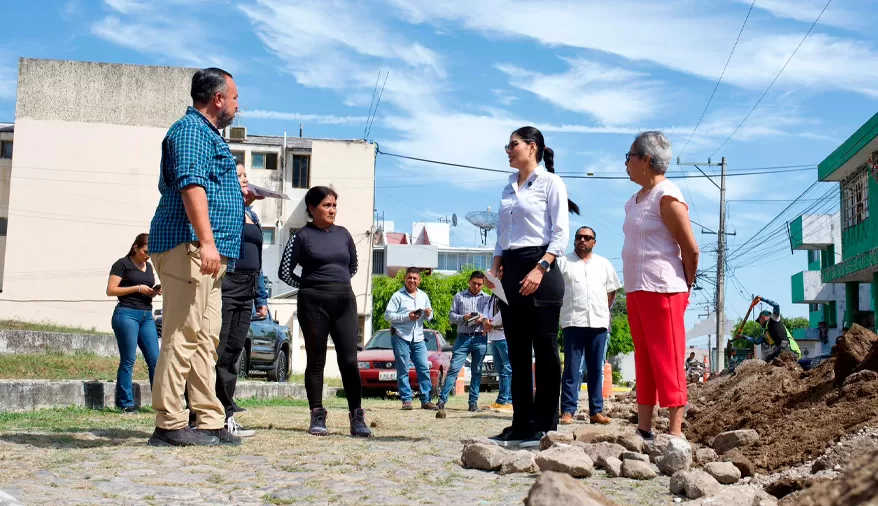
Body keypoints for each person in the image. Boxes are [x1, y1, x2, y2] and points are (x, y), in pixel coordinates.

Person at [146, 67, 244, 447]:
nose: (237, 106)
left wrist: (238, 198)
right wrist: (206, 241)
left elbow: (207, 186)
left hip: (208, 255)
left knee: (205, 337)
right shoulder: (189, 131)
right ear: (218, 98)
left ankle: (208, 417)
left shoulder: (208, 136)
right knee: (182, 333)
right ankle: (169, 422)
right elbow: (190, 184)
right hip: (187, 246)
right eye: (235, 98)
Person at [488, 126, 579, 447]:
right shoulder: (507, 188)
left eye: (512, 145)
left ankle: (544, 424)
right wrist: (497, 261)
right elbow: (503, 233)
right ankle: (520, 424)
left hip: (541, 269)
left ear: (532, 147)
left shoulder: (551, 183)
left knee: (544, 350)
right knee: (516, 351)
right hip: (510, 271)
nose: (508, 150)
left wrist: (541, 268)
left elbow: (560, 234)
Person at [622, 131, 699, 442]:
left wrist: (687, 283)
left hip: (664, 288)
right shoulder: (634, 201)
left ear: (647, 161)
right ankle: (644, 427)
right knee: (645, 355)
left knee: (667, 356)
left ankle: (675, 432)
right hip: (637, 288)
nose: (626, 163)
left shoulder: (668, 196)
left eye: (629, 157)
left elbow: (691, 248)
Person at [278, 186, 371, 437]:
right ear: (312, 208)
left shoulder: (344, 234)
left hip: (344, 302)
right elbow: (284, 272)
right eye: (326, 205)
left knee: (350, 361)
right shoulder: (301, 236)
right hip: (313, 304)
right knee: (316, 360)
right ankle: (317, 414)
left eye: (334, 205)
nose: (332, 210)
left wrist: (334, 284)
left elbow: (351, 266)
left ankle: (357, 417)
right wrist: (311, 285)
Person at [203, 162, 267, 437]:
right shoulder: (223, 210)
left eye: (245, 176)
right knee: (218, 350)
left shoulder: (250, 213)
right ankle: (208, 413)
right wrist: (235, 202)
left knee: (233, 353)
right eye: (238, 175)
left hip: (249, 286)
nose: (244, 180)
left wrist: (261, 296)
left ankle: (226, 414)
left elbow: (258, 260)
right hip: (228, 283)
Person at [556, 226, 621, 425]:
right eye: (579, 237)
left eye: (587, 237)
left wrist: (600, 308)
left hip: (598, 323)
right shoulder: (562, 263)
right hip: (573, 322)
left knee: (595, 369)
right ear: (574, 240)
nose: (582, 240)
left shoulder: (603, 264)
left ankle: (596, 411)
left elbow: (611, 292)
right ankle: (567, 411)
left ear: (594, 242)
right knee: (572, 370)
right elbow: (556, 290)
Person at [106, 233, 161, 413]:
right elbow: (111, 290)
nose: (148, 255)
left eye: (150, 253)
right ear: (136, 247)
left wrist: (152, 292)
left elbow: (145, 288)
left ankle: (161, 402)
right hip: (126, 314)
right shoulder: (122, 264)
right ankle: (126, 403)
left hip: (146, 315)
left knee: (155, 359)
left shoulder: (149, 266)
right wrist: (137, 288)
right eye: (145, 251)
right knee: (128, 359)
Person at [384, 267, 441, 411]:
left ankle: (426, 400)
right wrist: (406, 316)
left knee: (423, 368)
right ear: (405, 279)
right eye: (409, 278)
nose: (412, 280)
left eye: (415, 278)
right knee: (403, 369)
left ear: (419, 281)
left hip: (419, 338)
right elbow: (388, 316)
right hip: (401, 336)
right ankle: (407, 400)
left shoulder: (423, 296)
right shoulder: (397, 296)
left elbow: (430, 315)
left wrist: (429, 313)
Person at [437, 271, 492, 412]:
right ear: (469, 282)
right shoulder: (459, 296)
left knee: (477, 371)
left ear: (483, 284)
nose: (476, 286)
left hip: (480, 337)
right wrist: (464, 318)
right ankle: (442, 401)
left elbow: (491, 318)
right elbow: (451, 317)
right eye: (474, 283)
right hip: (463, 337)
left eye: (479, 284)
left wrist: (484, 320)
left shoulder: (487, 299)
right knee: (454, 369)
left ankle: (473, 403)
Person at [749, 297, 801, 361]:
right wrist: (742, 336)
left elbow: (776, 306)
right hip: (781, 348)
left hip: (790, 349)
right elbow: (756, 341)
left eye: (759, 320)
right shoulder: (766, 332)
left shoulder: (774, 319)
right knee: (767, 360)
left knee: (773, 359)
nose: (760, 323)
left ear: (763, 317)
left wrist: (762, 299)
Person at [485, 294, 512, 412]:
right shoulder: (493, 295)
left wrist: (491, 323)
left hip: (503, 336)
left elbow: (505, 310)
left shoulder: (504, 291)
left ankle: (510, 400)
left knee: (508, 369)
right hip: (494, 336)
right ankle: (501, 400)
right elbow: (487, 310)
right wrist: (486, 320)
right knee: (500, 370)